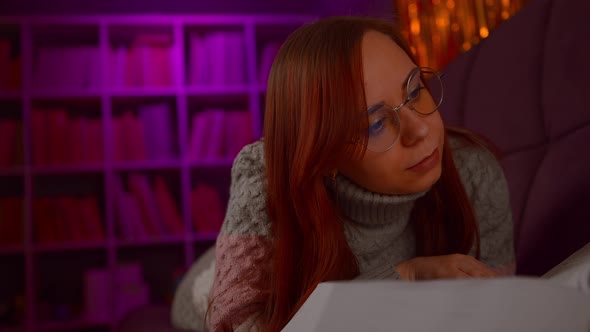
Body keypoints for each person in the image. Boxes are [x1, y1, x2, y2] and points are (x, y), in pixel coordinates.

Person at [206, 16, 515, 332]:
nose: (420, 129)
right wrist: (408, 277)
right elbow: (236, 324)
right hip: (216, 280)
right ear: (323, 155)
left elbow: (497, 312)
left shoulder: (474, 171)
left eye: (414, 91)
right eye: (376, 124)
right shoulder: (266, 176)